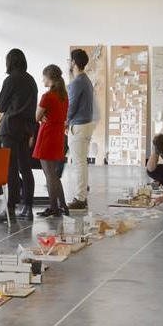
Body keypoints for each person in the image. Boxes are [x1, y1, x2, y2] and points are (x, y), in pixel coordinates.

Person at [0, 49, 38, 224]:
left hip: (10, 128)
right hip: (26, 129)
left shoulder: (10, 80)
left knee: (11, 169)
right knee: (25, 168)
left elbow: (1, 106)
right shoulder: (31, 80)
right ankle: (28, 208)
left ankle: (10, 209)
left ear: (9, 62)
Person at [33, 65, 70, 218]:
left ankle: (54, 207)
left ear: (49, 78)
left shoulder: (47, 96)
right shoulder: (64, 96)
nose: (42, 80)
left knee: (49, 175)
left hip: (47, 136)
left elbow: (36, 116)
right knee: (53, 174)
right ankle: (63, 205)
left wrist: (42, 116)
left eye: (44, 77)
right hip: (58, 135)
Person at [66, 48, 95, 211]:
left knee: (79, 164)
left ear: (73, 63)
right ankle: (82, 195)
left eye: (70, 61)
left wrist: (65, 122)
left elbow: (71, 106)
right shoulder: (86, 80)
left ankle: (80, 198)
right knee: (81, 162)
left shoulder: (77, 82)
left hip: (79, 126)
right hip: (85, 125)